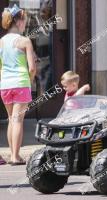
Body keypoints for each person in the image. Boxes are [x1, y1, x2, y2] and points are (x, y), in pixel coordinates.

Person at [0, 4, 36, 165]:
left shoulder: (1, 42)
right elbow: (32, 67)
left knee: (10, 119)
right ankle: (15, 156)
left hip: (5, 85)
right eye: (24, 21)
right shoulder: (25, 41)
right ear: (19, 21)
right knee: (18, 120)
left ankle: (13, 154)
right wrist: (31, 79)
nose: (25, 24)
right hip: (21, 82)